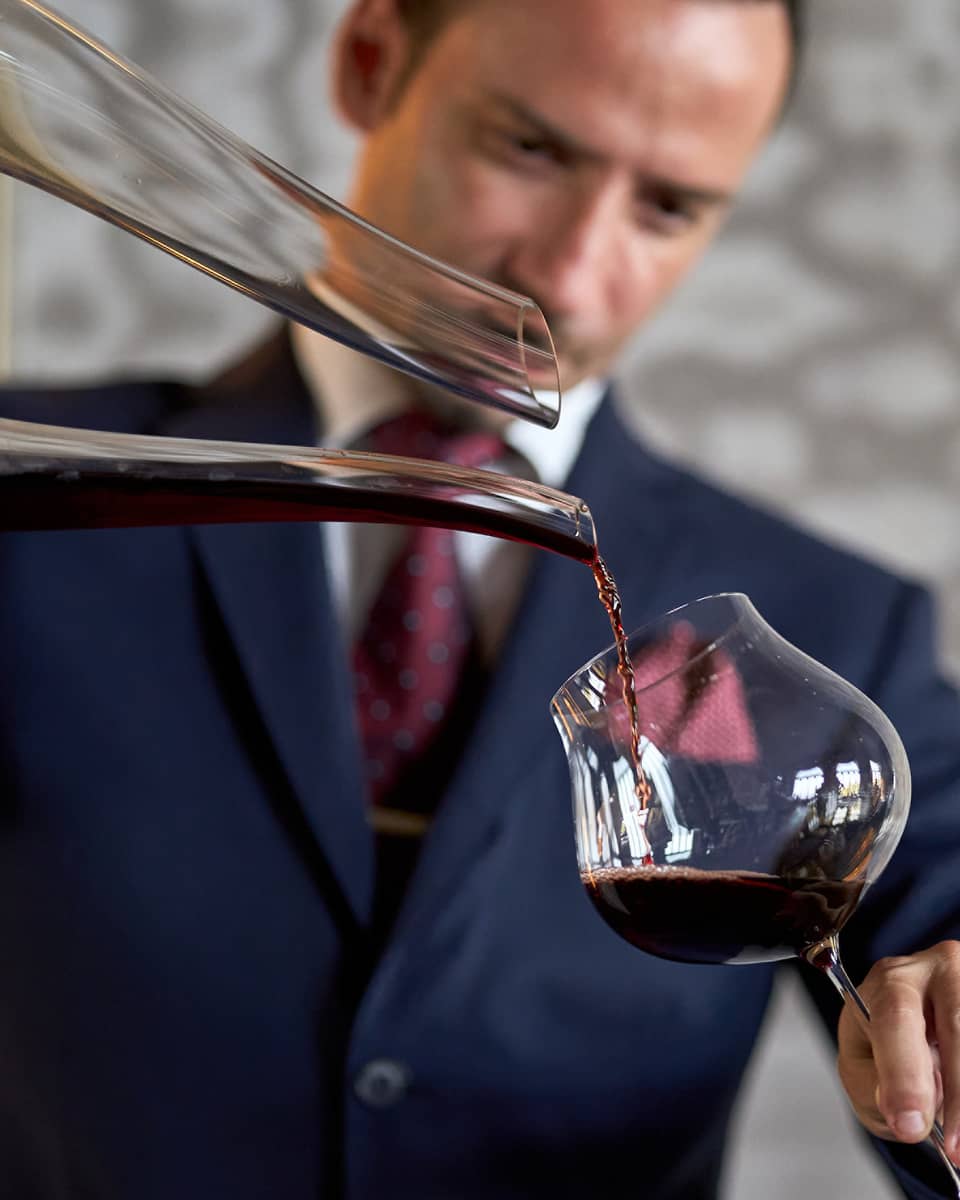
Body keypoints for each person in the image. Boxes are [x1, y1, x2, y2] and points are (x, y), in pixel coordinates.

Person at [1, 1, 959, 1196]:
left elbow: (937, 944)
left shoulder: (839, 619)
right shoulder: (39, 504)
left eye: (667, 207)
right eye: (530, 149)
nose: (567, 274)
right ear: (370, 64)